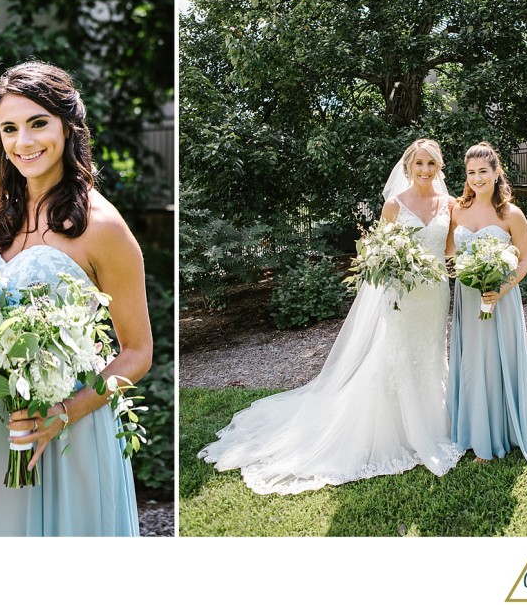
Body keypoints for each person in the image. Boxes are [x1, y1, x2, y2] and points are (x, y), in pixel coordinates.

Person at [198, 139, 463, 494]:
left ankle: (432, 419)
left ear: (440, 167)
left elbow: (449, 247)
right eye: (419, 164)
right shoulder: (394, 205)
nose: (426, 170)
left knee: (431, 353)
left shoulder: (450, 204)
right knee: (397, 353)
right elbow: (380, 253)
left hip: (435, 293)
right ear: (408, 168)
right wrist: (398, 265)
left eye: (431, 164)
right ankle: (398, 428)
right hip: (403, 296)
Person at [0, 61, 152, 536]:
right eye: (10, 128)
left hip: (70, 430)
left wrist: (62, 414)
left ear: (68, 126)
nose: (23, 142)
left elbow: (138, 352)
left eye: (38, 123)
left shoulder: (103, 228)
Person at [446, 141, 527, 464]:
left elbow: (524, 261)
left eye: (483, 171)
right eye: (470, 173)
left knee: (496, 362)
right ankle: (471, 431)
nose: (477, 178)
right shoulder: (458, 210)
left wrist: (502, 289)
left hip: (500, 298)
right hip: (468, 296)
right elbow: (450, 253)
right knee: (472, 362)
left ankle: (498, 436)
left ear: (496, 173)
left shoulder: (512, 214)